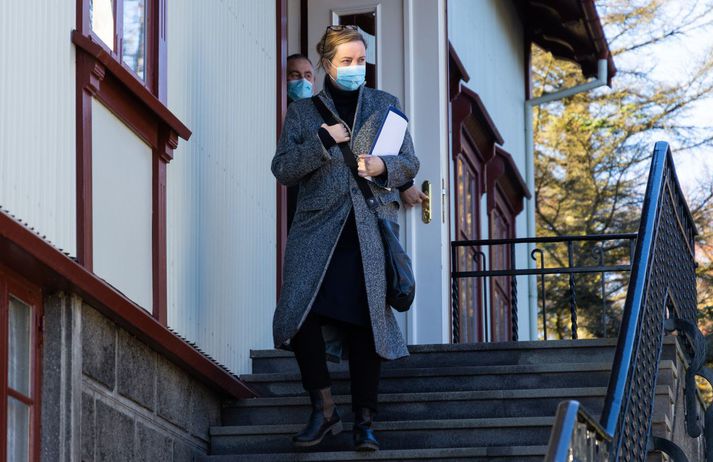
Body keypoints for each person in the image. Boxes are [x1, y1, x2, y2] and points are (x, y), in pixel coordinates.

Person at [271, 25, 419, 452]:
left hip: (368, 228)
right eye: (347, 61)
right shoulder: (304, 113)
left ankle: (364, 422)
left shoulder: (385, 105)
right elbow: (282, 169)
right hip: (316, 228)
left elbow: (410, 162)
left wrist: (383, 167)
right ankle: (324, 409)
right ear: (328, 64)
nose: (356, 68)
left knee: (366, 322)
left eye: (361, 60)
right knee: (298, 314)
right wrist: (321, 141)